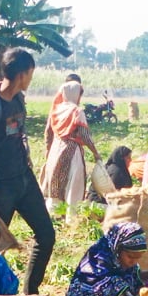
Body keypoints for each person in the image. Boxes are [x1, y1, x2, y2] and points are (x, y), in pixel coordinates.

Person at [0, 48, 56, 296]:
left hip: (23, 179)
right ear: (22, 74)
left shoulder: (18, 98)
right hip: (0, 188)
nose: (31, 78)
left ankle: (30, 293)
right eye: (31, 73)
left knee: (46, 235)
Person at [40, 80, 99, 214]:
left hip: (55, 149)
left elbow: (49, 130)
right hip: (71, 151)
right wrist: (95, 152)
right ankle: (71, 217)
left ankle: (53, 214)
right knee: (73, 184)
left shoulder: (57, 110)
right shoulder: (77, 112)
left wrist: (47, 148)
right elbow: (84, 135)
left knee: (55, 181)